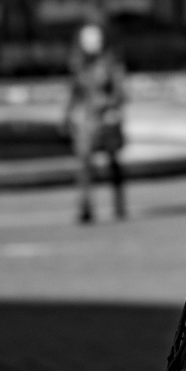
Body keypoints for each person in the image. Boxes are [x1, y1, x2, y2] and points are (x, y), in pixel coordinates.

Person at [64, 21, 127, 224]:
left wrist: (111, 107)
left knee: (113, 162)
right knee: (83, 164)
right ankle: (85, 207)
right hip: (86, 121)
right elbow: (74, 93)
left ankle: (119, 204)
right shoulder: (78, 65)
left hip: (105, 118)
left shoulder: (110, 64)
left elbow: (120, 92)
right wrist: (66, 116)